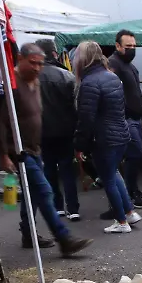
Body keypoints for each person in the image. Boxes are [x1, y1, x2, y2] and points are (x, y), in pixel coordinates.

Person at [0, 43, 92, 255]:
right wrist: (4, 153)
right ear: (20, 58)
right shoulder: (11, 84)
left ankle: (28, 234)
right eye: (33, 63)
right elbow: (0, 122)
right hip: (19, 150)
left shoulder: (36, 82)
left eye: (40, 64)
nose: (37, 68)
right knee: (45, 190)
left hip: (35, 147)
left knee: (32, 195)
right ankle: (63, 238)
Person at [73, 41, 140, 234]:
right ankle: (129, 212)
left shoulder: (89, 82)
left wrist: (79, 144)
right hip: (120, 134)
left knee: (108, 178)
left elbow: (86, 118)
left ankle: (121, 222)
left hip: (103, 138)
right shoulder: (112, 77)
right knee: (114, 174)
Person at [34, 38, 80, 221]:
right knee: (67, 169)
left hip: (42, 132)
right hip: (66, 131)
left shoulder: (32, 78)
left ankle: (57, 206)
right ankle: (74, 208)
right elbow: (75, 105)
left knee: (49, 170)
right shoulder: (66, 75)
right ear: (54, 53)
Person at [107, 29, 142, 207]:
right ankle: (129, 193)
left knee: (136, 156)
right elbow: (114, 94)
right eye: (128, 46)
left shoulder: (131, 66)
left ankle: (133, 190)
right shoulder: (113, 64)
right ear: (118, 46)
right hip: (125, 119)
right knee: (133, 155)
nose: (132, 49)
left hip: (135, 118)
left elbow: (137, 94)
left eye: (134, 46)